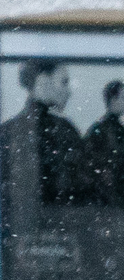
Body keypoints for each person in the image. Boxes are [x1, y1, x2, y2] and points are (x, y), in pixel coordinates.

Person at [1, 60, 96, 215]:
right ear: (43, 81)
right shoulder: (64, 131)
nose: (69, 91)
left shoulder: (6, 130)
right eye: (64, 82)